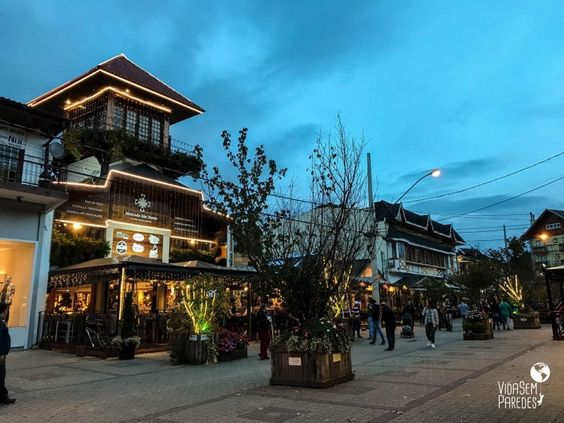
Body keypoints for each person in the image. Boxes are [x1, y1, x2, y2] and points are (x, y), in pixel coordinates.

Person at [0, 302, 15, 405]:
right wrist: (1, 353)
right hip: (0, 355)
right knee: (1, 375)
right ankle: (3, 397)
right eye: (6, 310)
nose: (7, 312)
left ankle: (3, 396)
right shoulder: (0, 324)